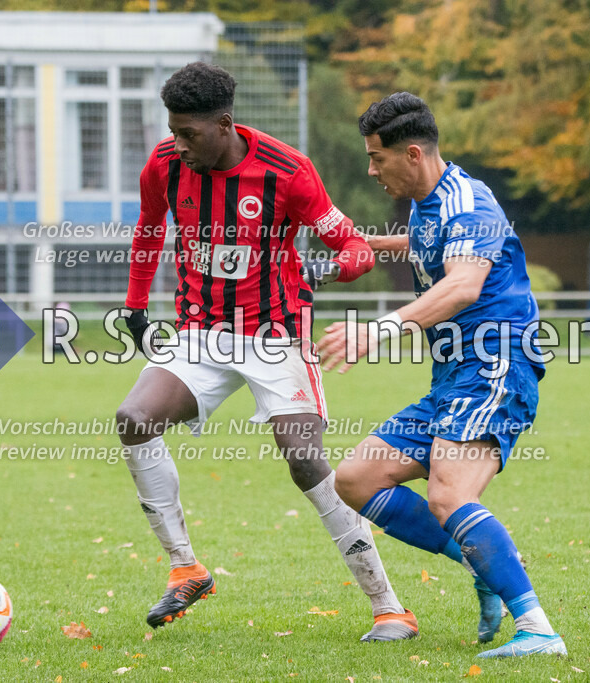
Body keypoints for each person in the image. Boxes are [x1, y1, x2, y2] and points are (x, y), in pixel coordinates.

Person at [115, 62, 419, 642]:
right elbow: (149, 228)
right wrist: (134, 306)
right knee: (133, 420)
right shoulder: (165, 164)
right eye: (173, 131)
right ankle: (186, 567)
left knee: (304, 459)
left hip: (276, 336)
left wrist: (328, 269)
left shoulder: (287, 171)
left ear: (225, 124)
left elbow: (353, 245)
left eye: (190, 134)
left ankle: (389, 607)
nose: (178, 144)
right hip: (201, 333)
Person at [318, 92, 566, 658]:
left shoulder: (467, 202)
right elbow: (431, 241)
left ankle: (538, 630)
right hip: (454, 376)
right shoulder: (430, 203)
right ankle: (483, 565)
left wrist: (373, 331)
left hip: (496, 364)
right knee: (356, 479)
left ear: (411, 153)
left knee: (448, 494)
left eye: (376, 159)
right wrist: (372, 246)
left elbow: (462, 286)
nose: (372, 170)